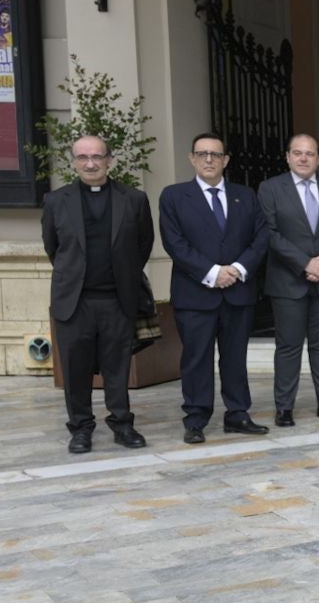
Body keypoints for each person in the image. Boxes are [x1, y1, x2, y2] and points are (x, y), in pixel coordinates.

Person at [41, 136, 154, 454]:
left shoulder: (133, 199)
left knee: (117, 367)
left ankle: (122, 424)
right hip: (74, 302)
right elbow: (53, 248)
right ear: (73, 161)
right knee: (75, 369)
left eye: (97, 157)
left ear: (109, 159)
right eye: (83, 157)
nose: (90, 163)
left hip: (117, 299)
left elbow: (142, 246)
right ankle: (80, 428)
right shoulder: (55, 201)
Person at [160, 133, 270, 443]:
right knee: (196, 358)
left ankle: (237, 414)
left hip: (238, 293)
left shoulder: (246, 195)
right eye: (202, 154)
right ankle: (196, 418)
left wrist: (236, 269)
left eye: (215, 154)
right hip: (195, 294)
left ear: (226, 160)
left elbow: (261, 238)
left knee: (235, 356)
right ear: (191, 158)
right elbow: (175, 244)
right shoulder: (173, 196)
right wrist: (211, 273)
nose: (209, 159)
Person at [258, 134, 319, 426]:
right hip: (287, 282)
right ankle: (284, 407)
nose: (303, 158)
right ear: (287, 156)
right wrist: (304, 263)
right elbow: (269, 232)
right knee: (288, 346)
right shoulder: (270, 189)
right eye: (297, 153)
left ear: (318, 159)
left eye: (309, 153)